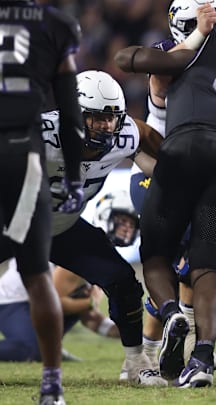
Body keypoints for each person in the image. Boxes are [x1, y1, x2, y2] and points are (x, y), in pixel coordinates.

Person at [115, 4, 216, 388]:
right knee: (204, 268)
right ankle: (202, 356)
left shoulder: (177, 54)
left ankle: (171, 316)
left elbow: (127, 58)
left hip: (178, 155)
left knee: (157, 258)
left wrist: (192, 38)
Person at [1, 69, 167, 390]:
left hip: (62, 227)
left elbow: (145, 134)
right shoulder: (42, 133)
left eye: (111, 118)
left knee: (123, 281)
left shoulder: (124, 135)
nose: (106, 126)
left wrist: (175, 165)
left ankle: (136, 362)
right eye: (96, 118)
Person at [0, 1, 86, 403]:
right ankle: (51, 385)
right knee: (36, 275)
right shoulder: (55, 23)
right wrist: (72, 177)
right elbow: (70, 111)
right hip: (20, 151)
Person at [0, 260, 119, 362]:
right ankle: (49, 348)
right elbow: (54, 303)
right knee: (34, 349)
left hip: (36, 300)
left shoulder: (97, 265)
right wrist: (90, 302)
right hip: (12, 300)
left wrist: (130, 334)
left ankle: (51, 348)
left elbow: (91, 319)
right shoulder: (82, 256)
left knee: (80, 298)